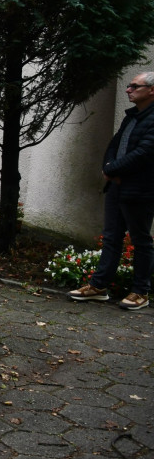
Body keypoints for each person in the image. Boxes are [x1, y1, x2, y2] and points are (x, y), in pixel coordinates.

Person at [69, 70, 154, 310]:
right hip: (117, 187)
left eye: (134, 86)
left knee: (141, 241)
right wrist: (108, 167)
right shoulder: (133, 117)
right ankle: (99, 287)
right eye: (128, 86)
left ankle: (140, 292)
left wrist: (113, 169)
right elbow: (115, 145)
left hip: (140, 191)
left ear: (151, 90)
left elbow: (145, 153)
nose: (129, 89)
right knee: (111, 238)